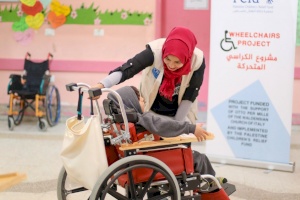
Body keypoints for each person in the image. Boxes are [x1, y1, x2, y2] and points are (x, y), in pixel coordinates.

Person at [93, 26, 206, 124]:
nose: (171, 65)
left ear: (187, 58)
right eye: (167, 59)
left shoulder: (197, 61)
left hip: (180, 113)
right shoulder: (155, 51)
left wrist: (177, 124)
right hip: (151, 111)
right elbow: (128, 69)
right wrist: (101, 85)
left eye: (177, 62)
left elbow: (191, 93)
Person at [107, 86, 218, 178]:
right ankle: (212, 185)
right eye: (140, 99)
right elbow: (164, 126)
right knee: (199, 157)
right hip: (155, 161)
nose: (144, 101)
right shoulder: (141, 119)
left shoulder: (120, 124)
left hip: (140, 161)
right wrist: (191, 128)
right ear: (131, 102)